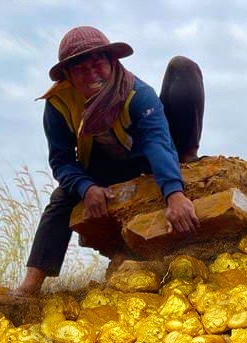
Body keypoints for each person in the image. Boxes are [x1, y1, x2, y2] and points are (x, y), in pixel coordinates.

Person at [16, 26, 205, 296]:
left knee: (182, 67)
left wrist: (174, 192)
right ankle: (30, 284)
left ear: (112, 63)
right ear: (68, 76)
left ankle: (186, 161)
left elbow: (157, 141)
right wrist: (85, 187)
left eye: (98, 64)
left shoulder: (139, 94)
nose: (92, 74)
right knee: (61, 201)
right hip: (99, 168)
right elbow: (61, 161)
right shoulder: (58, 104)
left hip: (144, 159)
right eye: (81, 69)